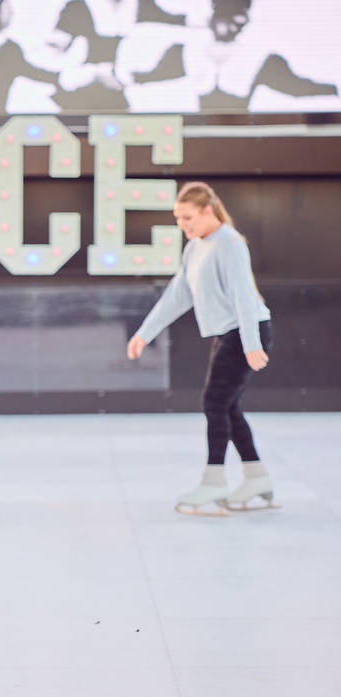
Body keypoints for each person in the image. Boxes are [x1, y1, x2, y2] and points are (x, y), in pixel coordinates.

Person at [127, 181, 273, 514]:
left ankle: (213, 482)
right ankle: (257, 475)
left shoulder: (230, 244)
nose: (183, 226)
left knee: (213, 402)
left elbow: (243, 296)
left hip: (246, 330)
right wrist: (144, 333)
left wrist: (251, 344)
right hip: (228, 333)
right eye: (178, 219)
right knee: (227, 405)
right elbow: (178, 295)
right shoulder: (195, 246)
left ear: (208, 210)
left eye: (187, 218)